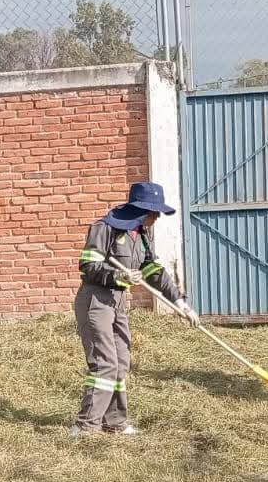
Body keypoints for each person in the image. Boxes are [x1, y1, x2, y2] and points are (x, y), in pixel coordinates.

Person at [73, 181, 197, 437]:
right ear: (139, 209)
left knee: (121, 362)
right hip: (96, 300)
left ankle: (114, 423)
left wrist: (179, 302)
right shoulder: (104, 228)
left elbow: (153, 270)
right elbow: (88, 266)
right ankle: (85, 427)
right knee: (105, 363)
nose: (156, 217)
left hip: (118, 302)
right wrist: (120, 275)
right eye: (153, 212)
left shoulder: (141, 233)